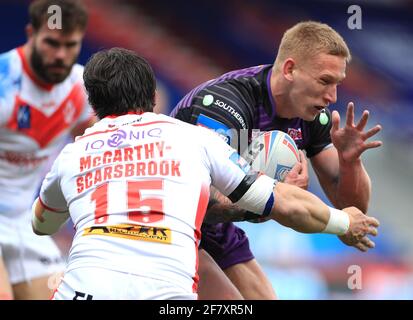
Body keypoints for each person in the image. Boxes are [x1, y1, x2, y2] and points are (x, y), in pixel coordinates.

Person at [31, 47, 379, 300]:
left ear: (92, 103)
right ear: (153, 97)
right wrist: (344, 223)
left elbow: (42, 224)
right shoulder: (195, 139)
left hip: (85, 289)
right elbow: (283, 203)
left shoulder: (72, 154)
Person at [170, 21, 383, 299]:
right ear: (290, 69)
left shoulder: (313, 115)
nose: (332, 97)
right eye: (324, 81)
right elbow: (203, 201)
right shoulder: (227, 103)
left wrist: (350, 162)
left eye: (337, 84)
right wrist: (272, 200)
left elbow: (353, 211)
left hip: (215, 228)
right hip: (173, 221)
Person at [0, 0, 93, 300]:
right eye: (52, 43)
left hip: (23, 221)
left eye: (70, 45)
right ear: (31, 33)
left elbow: (96, 143)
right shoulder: (5, 81)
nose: (60, 55)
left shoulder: (80, 87)